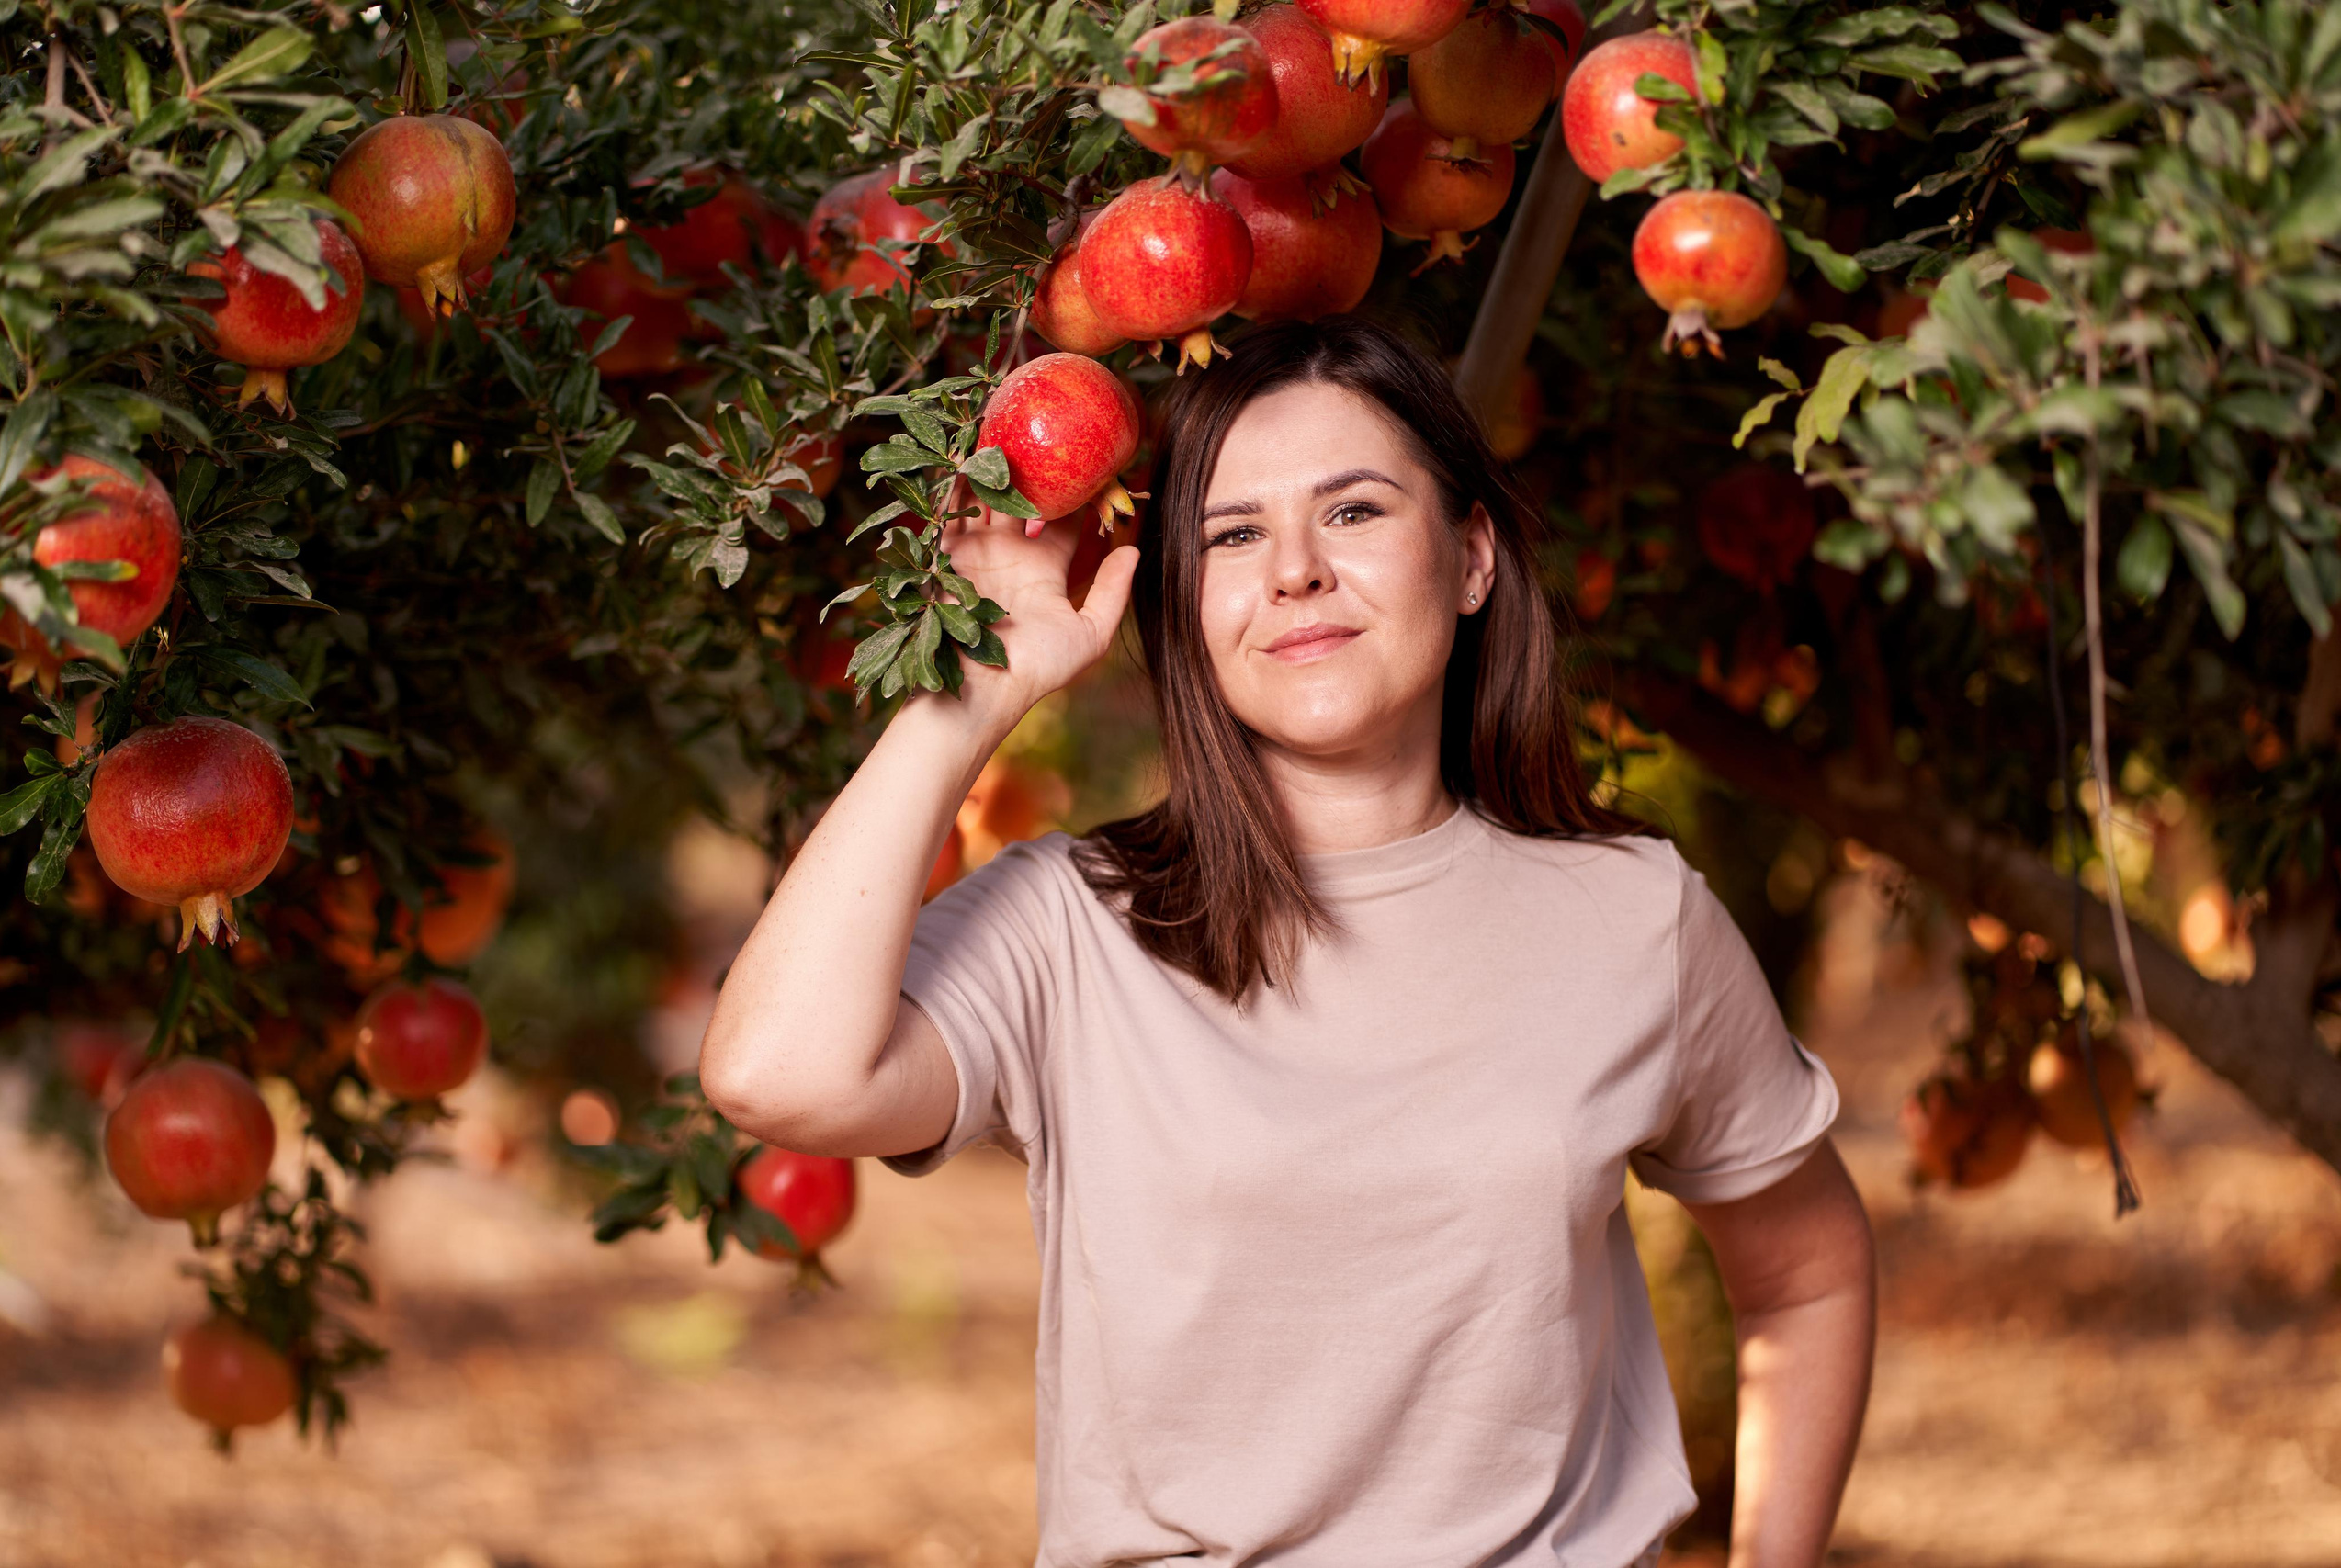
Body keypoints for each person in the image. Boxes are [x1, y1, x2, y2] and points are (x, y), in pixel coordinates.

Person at [702, 318, 1876, 1568]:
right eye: (1233, 535)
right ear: (1184, 601)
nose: (1296, 572)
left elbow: (1808, 1271)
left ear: (1472, 556)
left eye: (1357, 511)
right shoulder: (1072, 924)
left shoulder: (1635, 917)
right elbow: (777, 1074)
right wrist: (974, 694)